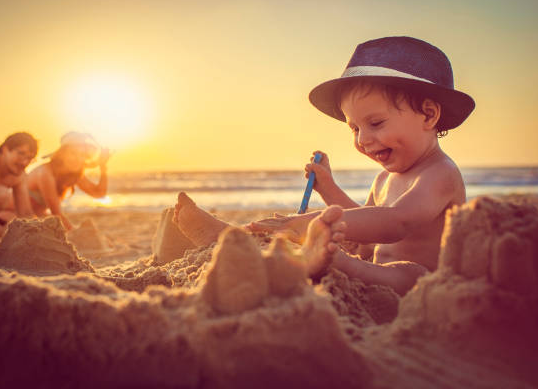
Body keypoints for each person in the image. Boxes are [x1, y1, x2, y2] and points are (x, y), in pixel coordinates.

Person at [173, 36, 475, 295]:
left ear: (429, 115)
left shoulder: (441, 174)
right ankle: (234, 239)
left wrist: (316, 222)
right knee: (290, 228)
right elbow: (362, 223)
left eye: (376, 123)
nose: (364, 139)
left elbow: (397, 222)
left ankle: (333, 263)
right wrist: (328, 189)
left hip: (419, 284)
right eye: (354, 129)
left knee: (413, 274)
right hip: (376, 273)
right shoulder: (384, 179)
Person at [25, 132, 110, 230]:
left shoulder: (73, 173)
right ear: (62, 154)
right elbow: (56, 214)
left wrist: (103, 168)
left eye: (82, 155)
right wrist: (75, 234)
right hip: (14, 216)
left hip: (35, 218)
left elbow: (99, 194)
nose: (78, 158)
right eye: (73, 153)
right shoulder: (45, 173)